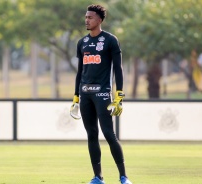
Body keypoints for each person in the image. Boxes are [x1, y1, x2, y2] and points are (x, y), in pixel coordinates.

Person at [70, 4, 132, 184]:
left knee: (108, 134)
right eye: (86, 17)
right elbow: (80, 71)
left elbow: (118, 69)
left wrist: (119, 95)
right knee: (91, 135)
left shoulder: (110, 40)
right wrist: (76, 96)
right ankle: (98, 177)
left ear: (99, 20)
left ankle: (124, 177)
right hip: (85, 94)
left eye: (90, 17)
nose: (86, 20)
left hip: (103, 94)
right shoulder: (82, 42)